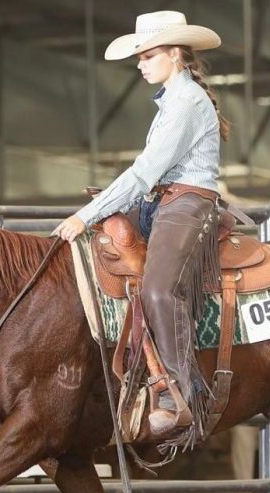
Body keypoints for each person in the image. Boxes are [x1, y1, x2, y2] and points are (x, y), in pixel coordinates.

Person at [54, 11, 227, 437]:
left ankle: (178, 392)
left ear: (174, 55)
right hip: (165, 203)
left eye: (148, 55)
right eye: (141, 56)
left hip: (187, 205)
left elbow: (143, 173)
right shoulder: (172, 100)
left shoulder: (185, 103)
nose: (141, 63)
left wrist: (84, 215)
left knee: (157, 287)